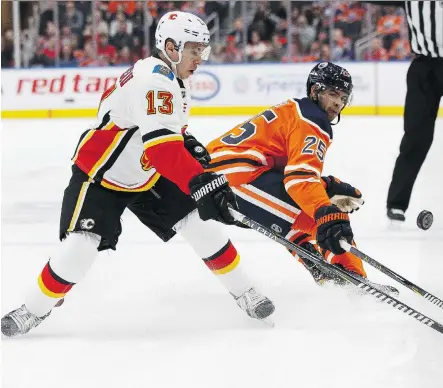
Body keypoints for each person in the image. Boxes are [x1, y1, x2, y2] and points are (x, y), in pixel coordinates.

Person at [1, 11, 274, 337]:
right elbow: (162, 151)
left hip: (147, 174)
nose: (200, 57)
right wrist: (204, 181)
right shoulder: (155, 80)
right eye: (194, 49)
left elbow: (169, 135)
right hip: (101, 175)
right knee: (79, 250)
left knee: (202, 227)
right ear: (171, 47)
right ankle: (33, 309)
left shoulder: (176, 77)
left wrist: (191, 145)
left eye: (203, 49)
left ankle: (244, 291)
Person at [205, 62, 396, 292]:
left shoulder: (296, 110)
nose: (338, 102)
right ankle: (354, 278)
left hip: (219, 177)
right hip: (235, 177)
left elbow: (287, 173)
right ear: (315, 91)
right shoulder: (313, 119)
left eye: (344, 97)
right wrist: (324, 207)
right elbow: (300, 178)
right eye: (333, 93)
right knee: (325, 220)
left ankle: (326, 271)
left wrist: (325, 185)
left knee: (295, 217)